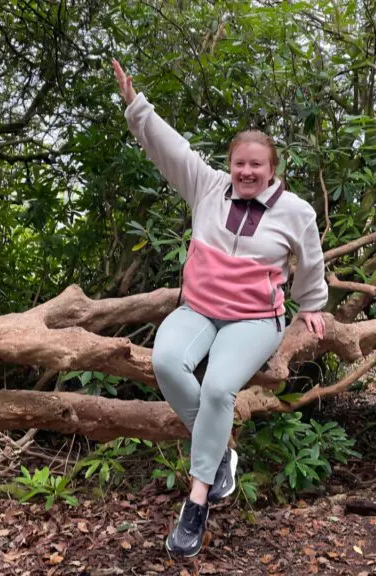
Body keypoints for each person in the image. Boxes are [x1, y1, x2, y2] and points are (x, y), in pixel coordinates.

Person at [113, 59, 328, 557]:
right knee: (166, 362)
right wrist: (136, 105)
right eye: (240, 164)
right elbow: (170, 147)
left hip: (254, 320)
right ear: (230, 165)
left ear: (272, 169)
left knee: (216, 388)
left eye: (257, 165)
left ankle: (197, 501)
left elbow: (310, 260)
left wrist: (312, 303)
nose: (247, 172)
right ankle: (220, 453)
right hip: (198, 310)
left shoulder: (296, 211)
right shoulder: (207, 187)